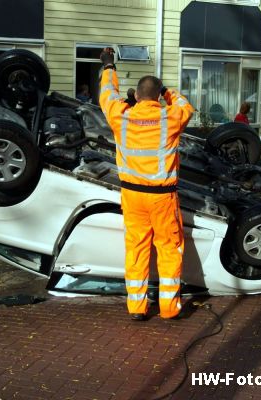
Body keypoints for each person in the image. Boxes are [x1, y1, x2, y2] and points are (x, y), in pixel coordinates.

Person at [98, 47, 195, 321]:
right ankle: (168, 308)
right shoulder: (171, 117)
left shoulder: (121, 116)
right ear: (158, 95)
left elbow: (107, 94)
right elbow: (185, 105)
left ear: (137, 96)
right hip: (162, 198)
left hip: (132, 196)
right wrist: (167, 92)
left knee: (137, 248)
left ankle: (137, 308)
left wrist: (109, 65)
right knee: (169, 248)